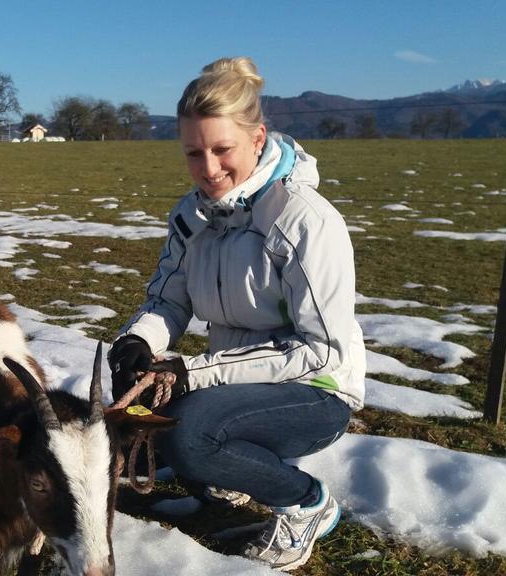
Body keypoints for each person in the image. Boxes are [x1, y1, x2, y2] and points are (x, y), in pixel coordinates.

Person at [108, 56, 365, 572]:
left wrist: (193, 372)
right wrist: (139, 340)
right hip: (232, 381)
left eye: (222, 149)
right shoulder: (192, 215)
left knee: (189, 432)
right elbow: (169, 300)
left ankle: (307, 503)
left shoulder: (305, 221)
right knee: (141, 404)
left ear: (258, 138)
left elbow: (321, 352)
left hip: (317, 389)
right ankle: (223, 477)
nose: (209, 169)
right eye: (193, 153)